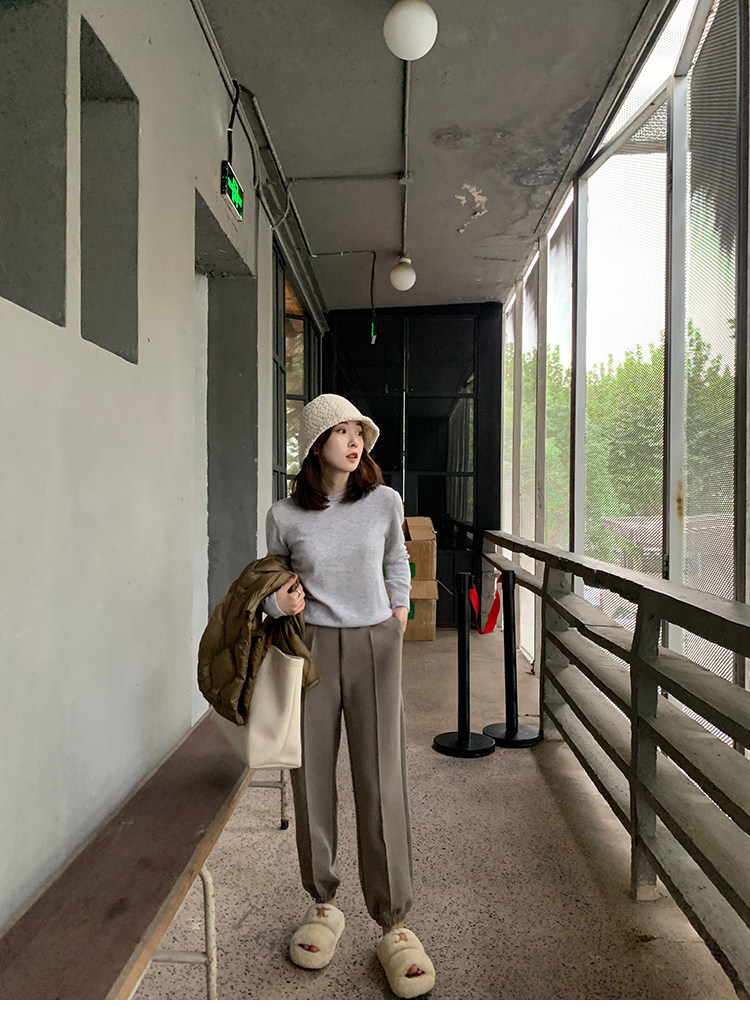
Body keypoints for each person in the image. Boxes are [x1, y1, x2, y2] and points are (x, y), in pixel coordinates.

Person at [263, 393, 435, 999]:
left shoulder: (384, 501)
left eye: (358, 430)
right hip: (310, 647)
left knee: (380, 774)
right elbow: (267, 582)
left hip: (374, 644)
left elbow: (397, 561)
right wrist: (275, 604)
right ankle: (323, 903)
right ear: (316, 446)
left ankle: (393, 922)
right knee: (310, 774)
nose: (354, 440)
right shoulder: (284, 515)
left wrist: (397, 616)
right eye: (340, 431)